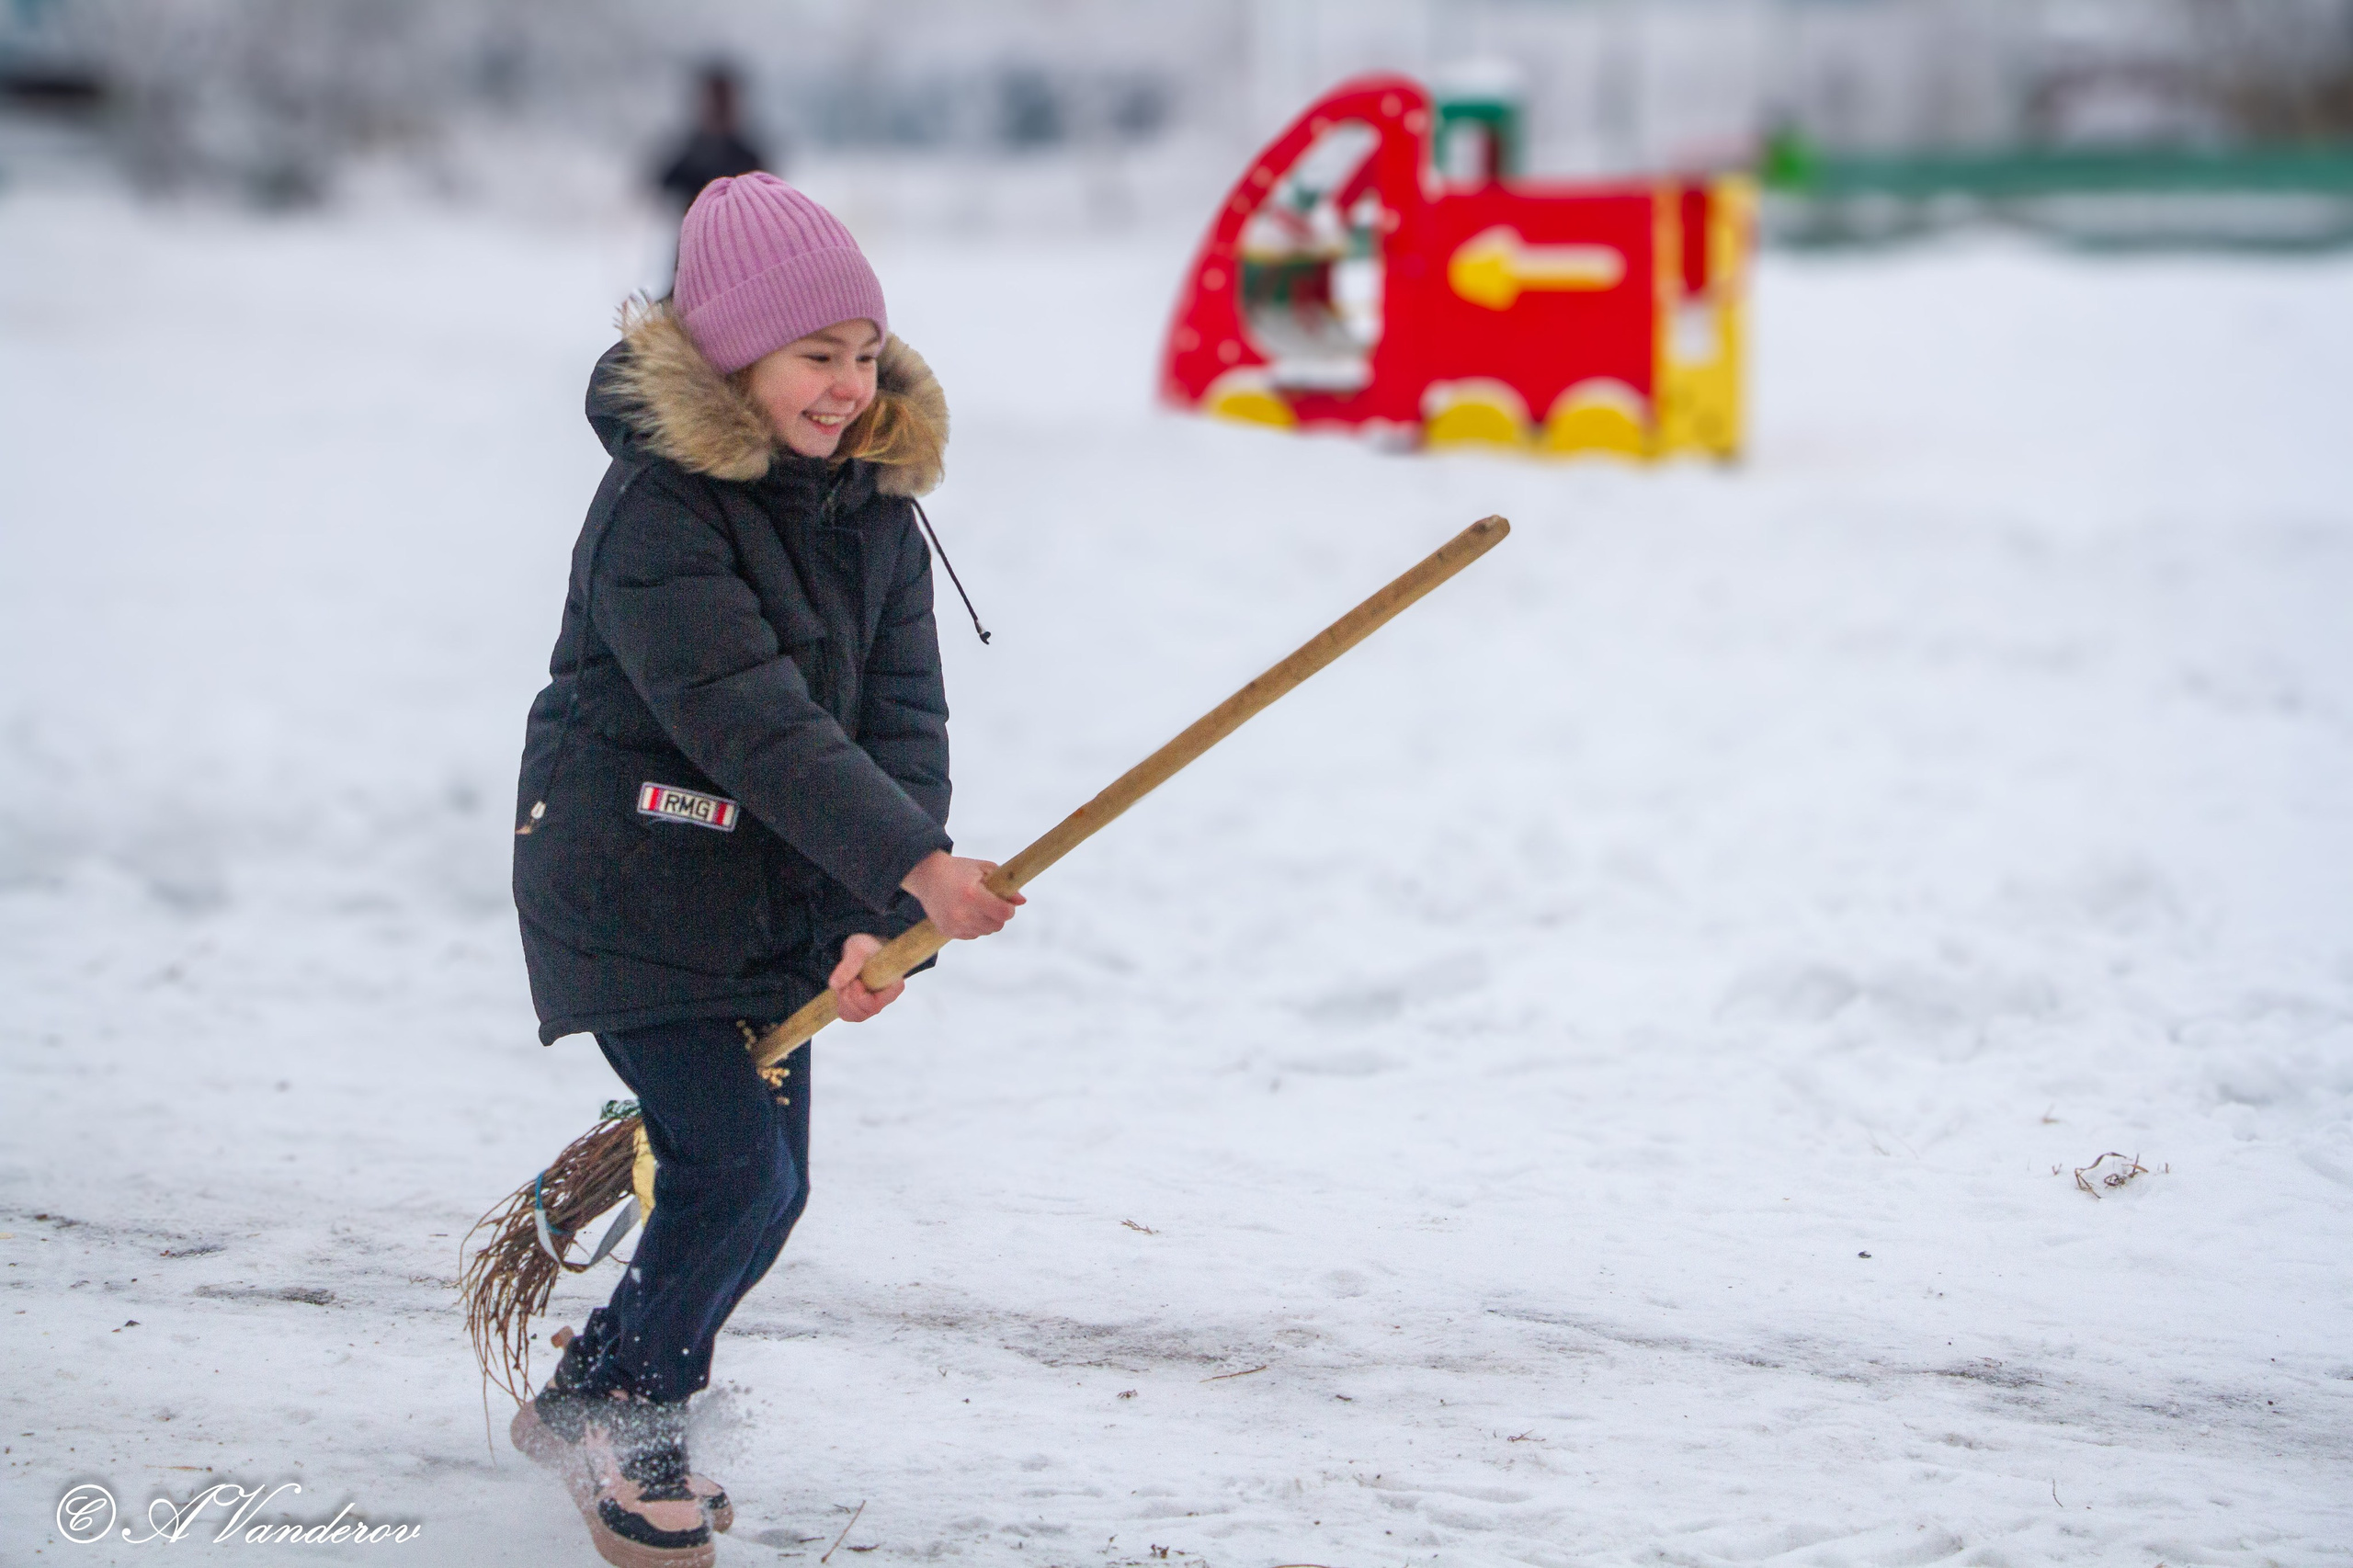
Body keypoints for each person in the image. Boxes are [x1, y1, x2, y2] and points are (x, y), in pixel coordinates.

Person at [506, 171, 1019, 1566]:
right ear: (732, 357)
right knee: (729, 1168)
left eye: (865, 352)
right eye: (816, 357)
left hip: (774, 894)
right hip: (635, 876)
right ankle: (631, 1415)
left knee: (769, 1187)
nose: (850, 387)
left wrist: (875, 919)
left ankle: (590, 1388)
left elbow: (899, 720)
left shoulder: (874, 505)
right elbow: (753, 722)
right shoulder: (657, 509)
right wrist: (917, 863)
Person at [655, 63, 770, 216]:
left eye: (723, 104)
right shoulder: (684, 159)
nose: (718, 110)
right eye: (715, 103)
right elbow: (658, 204)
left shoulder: (750, 160)